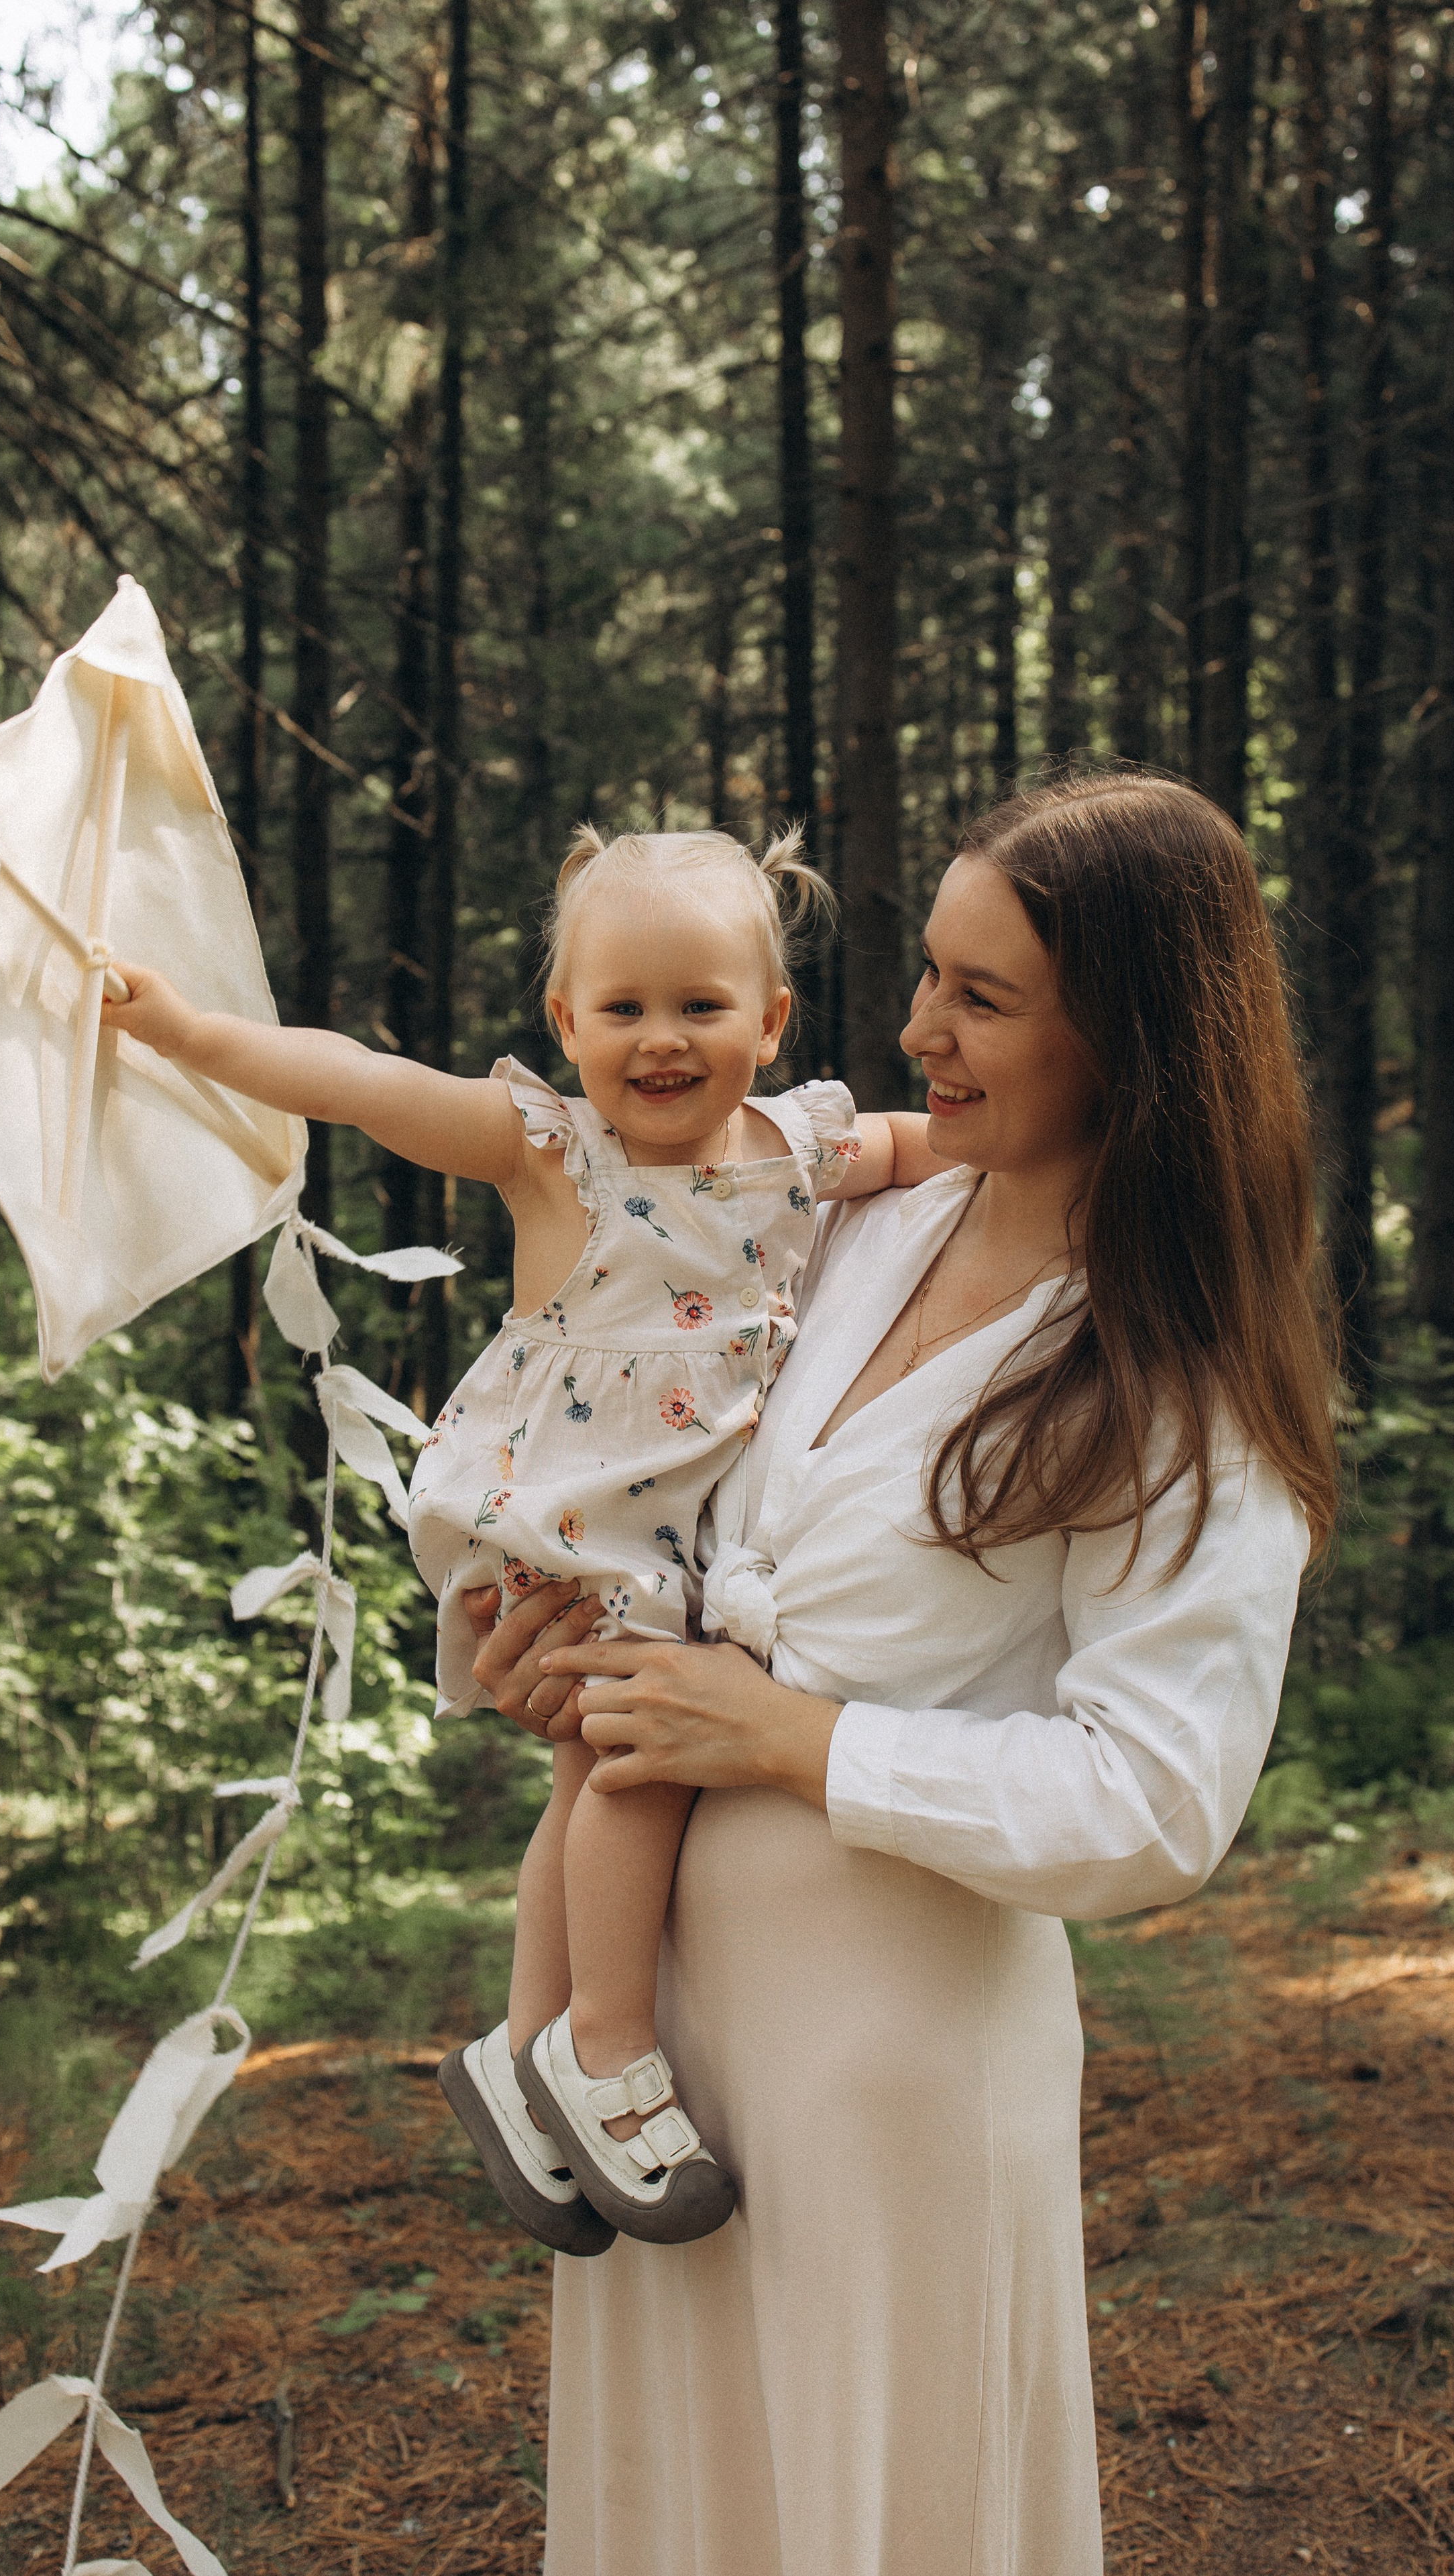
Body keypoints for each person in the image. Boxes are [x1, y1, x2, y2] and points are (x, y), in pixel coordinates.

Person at [464, 773, 1339, 2576]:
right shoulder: (847, 1225)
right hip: (660, 2063)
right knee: (679, 2512)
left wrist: (793, 1739)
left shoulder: (1174, 1375)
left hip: (894, 2067)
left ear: (1137, 1037)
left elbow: (1156, 1801)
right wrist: (541, 1648)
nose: (916, 1029)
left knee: (877, 2510)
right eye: (930, 973)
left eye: (983, 997)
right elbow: (660, 1494)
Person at [99, 824, 940, 2259]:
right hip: (555, 1508)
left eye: (699, 1006)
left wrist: (1085, 1137)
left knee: (587, 1775)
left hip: (665, 1527)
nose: (659, 1042)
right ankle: (603, 2044)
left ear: (771, 1020)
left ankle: (522, 2042)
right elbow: (364, 1087)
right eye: (620, 1009)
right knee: (643, 1756)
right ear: (563, 1023)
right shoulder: (554, 1148)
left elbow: (947, 1144)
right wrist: (181, 1028)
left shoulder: (800, 1148)